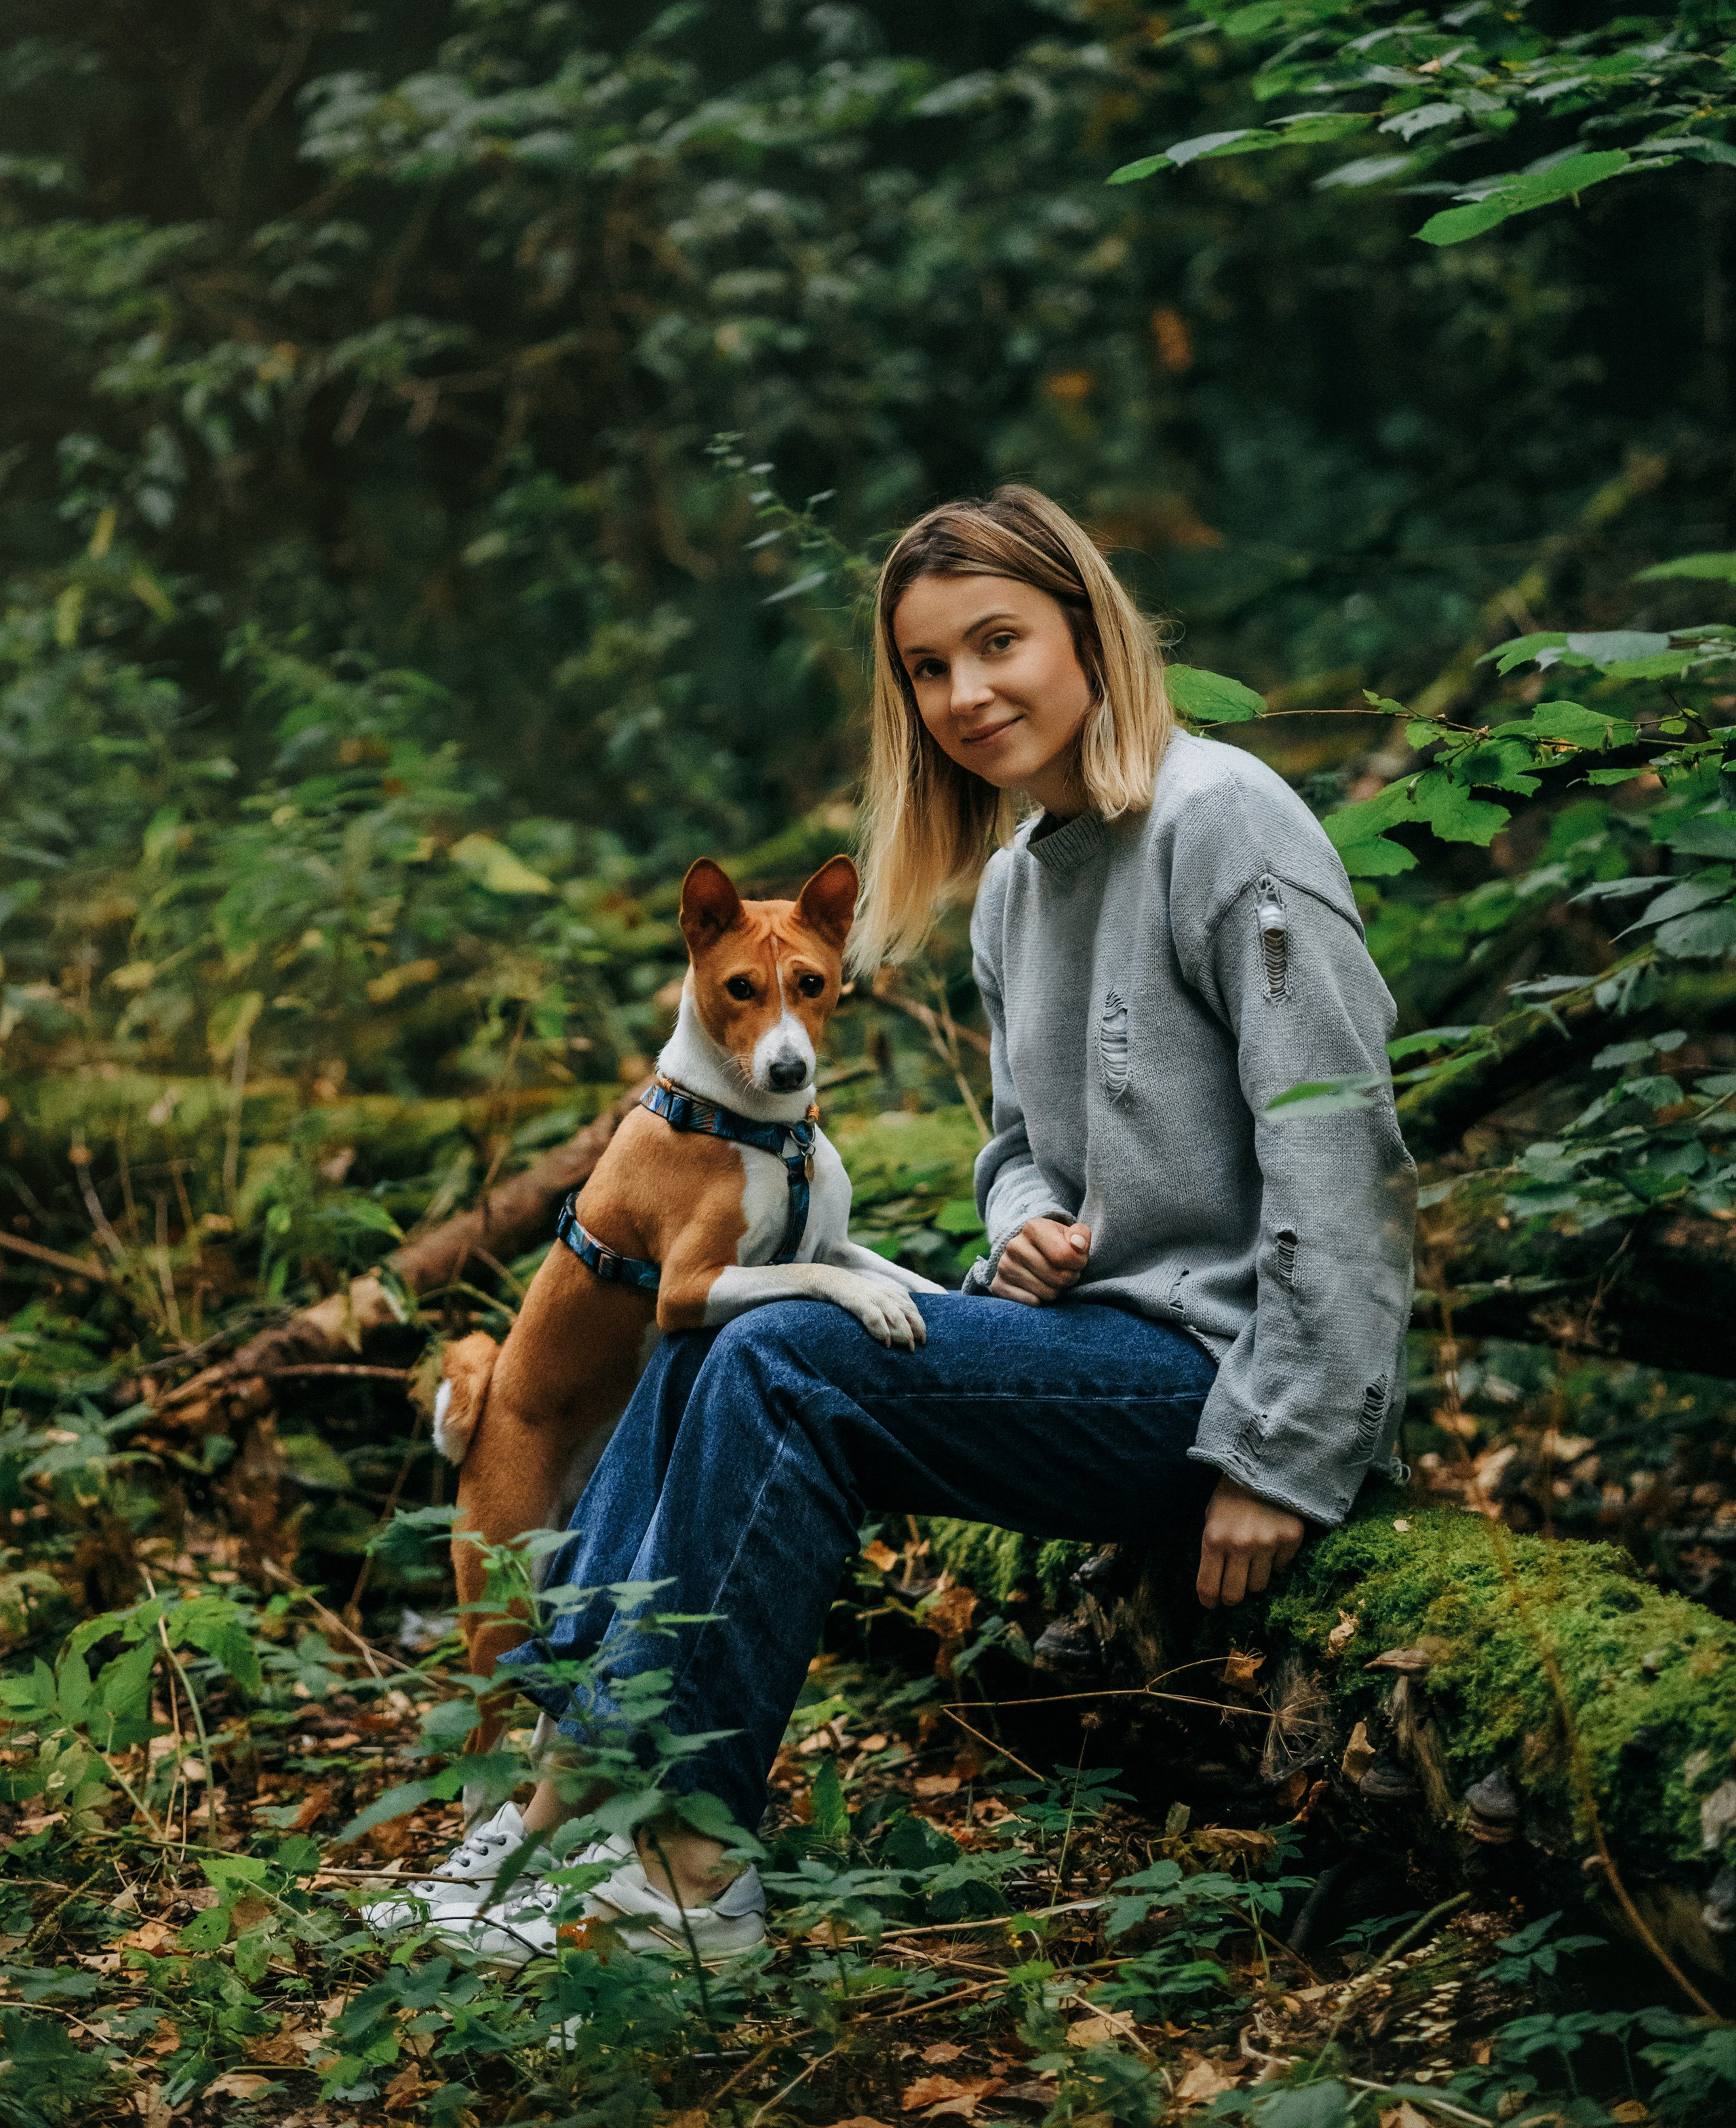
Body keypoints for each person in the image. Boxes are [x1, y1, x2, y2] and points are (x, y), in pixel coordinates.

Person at [368, 485, 1415, 1963]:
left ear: (1086, 630)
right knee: (709, 1328)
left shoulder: (1220, 820)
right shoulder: (1016, 887)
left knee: (787, 1344)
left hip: (1215, 1386)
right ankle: (564, 1793)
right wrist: (1031, 1224)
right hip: (1091, 1343)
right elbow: (1011, 1159)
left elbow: (1339, 1143)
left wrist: (1290, 1448)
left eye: (998, 642)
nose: (964, 694)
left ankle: (677, 1870)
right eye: (928, 668)